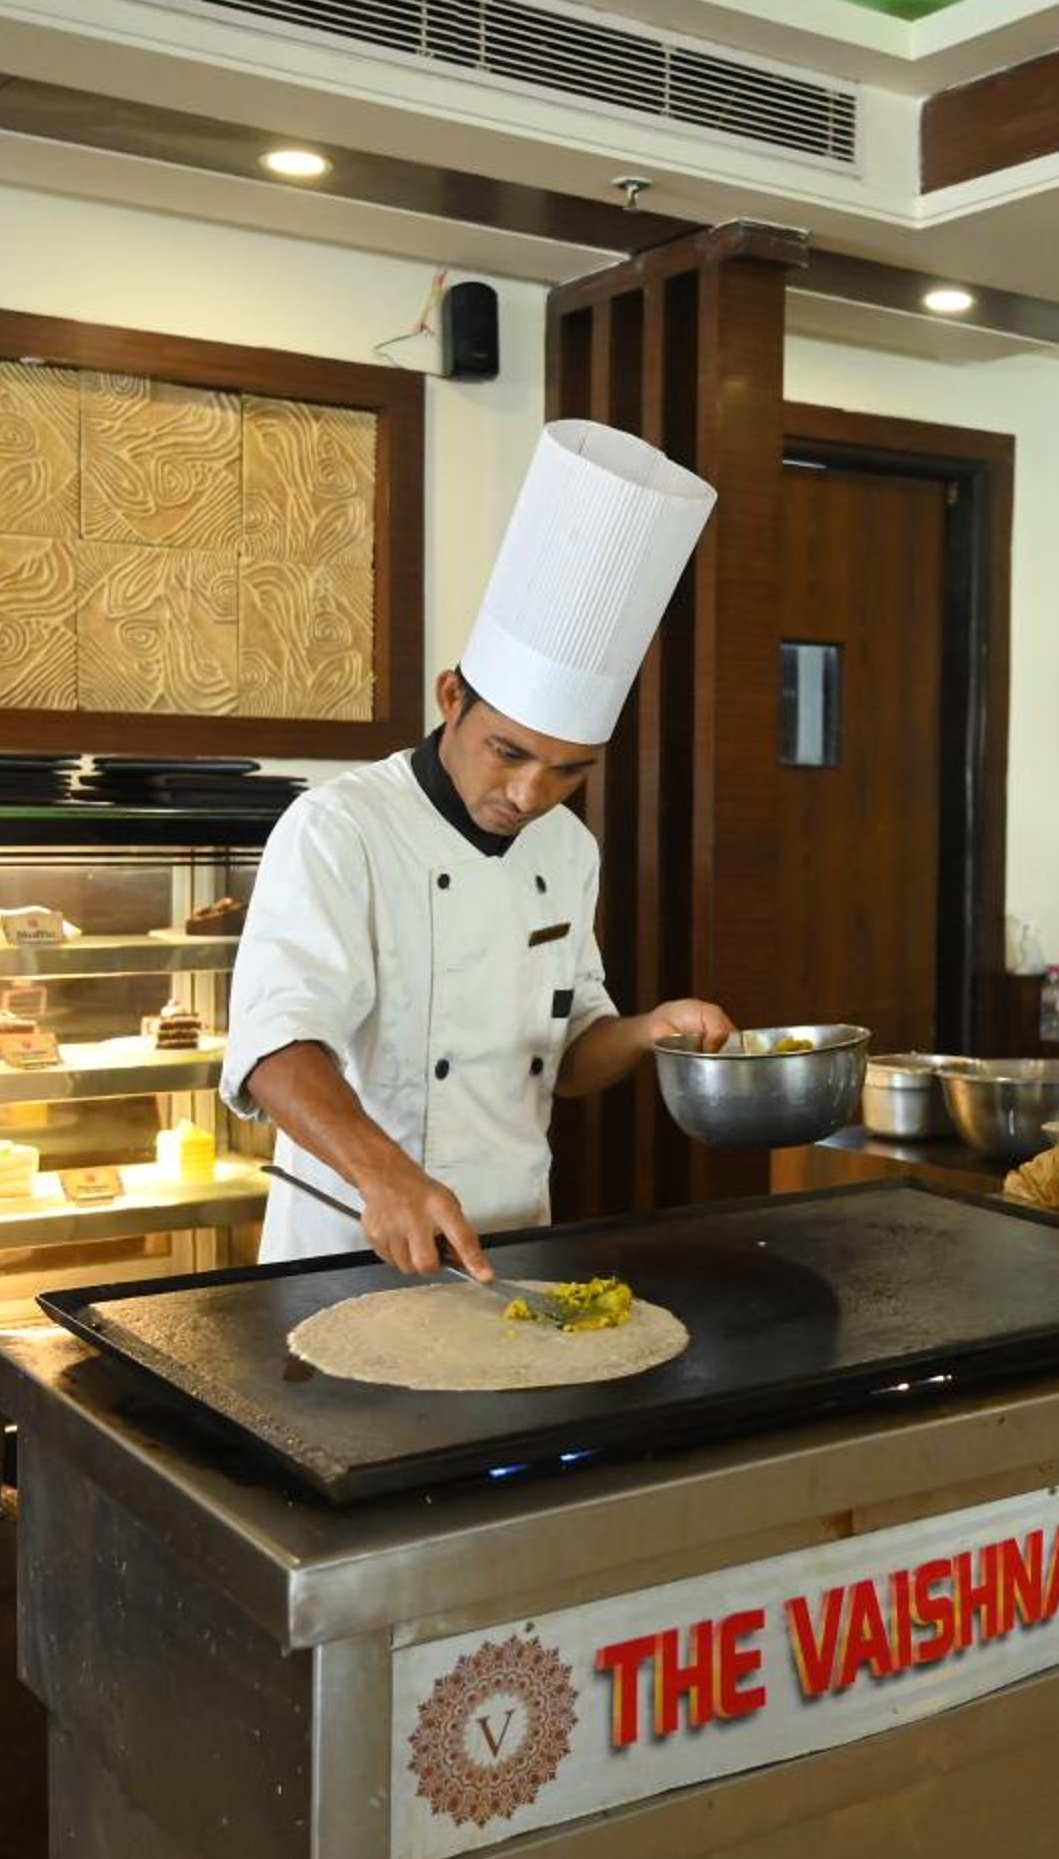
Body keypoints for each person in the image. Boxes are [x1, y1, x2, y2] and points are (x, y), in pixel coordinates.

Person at [223, 421, 738, 1275]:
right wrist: (385, 1174)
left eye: (569, 771)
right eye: (509, 753)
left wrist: (649, 1031)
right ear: (451, 697)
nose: (530, 795)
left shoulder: (567, 849)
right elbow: (275, 1045)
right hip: (357, 1241)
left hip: (513, 1239)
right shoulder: (340, 826)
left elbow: (567, 1058)